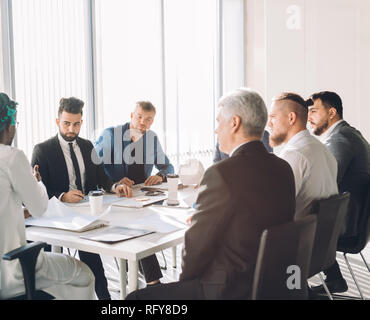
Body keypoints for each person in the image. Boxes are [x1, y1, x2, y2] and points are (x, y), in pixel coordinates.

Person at [126, 88, 296, 300]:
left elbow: (196, 248)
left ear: (234, 123)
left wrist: (184, 286)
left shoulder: (221, 174)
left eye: (218, 122)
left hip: (229, 288)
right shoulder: (284, 168)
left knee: (134, 299)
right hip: (272, 283)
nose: (216, 130)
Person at [0, 92, 95, 300]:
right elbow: (39, 208)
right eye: (14, 122)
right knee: (83, 275)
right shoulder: (10, 156)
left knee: (61, 286)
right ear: (8, 125)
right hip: (11, 271)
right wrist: (37, 181)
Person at [31, 97, 132, 300]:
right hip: (58, 217)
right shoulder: (42, 150)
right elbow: (37, 190)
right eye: (66, 123)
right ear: (57, 121)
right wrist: (62, 196)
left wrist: (115, 186)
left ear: (81, 123)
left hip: (87, 214)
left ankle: (106, 300)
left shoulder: (87, 146)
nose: (71, 129)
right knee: (49, 264)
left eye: (76, 124)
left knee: (93, 258)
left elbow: (101, 176)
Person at [94, 101, 174, 287]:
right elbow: (94, 168)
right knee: (140, 228)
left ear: (152, 122)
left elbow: (168, 166)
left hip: (140, 198)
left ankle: (146, 275)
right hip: (115, 198)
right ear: (131, 116)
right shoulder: (111, 135)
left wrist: (160, 175)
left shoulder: (151, 139)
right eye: (139, 117)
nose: (142, 122)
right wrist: (114, 183)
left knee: (146, 225)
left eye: (148, 119)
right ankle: (153, 283)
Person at [307, 91, 370, 295]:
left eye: (314, 111)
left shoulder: (341, 139)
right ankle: (333, 278)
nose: (309, 118)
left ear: (332, 112)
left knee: (291, 229)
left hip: (345, 225)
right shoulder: (351, 134)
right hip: (356, 222)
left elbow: (326, 182)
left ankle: (294, 288)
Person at [267, 92, 338, 220]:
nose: (269, 124)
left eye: (273, 117)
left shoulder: (294, 155)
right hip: (319, 238)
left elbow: (274, 210)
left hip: (297, 238)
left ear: (291, 118)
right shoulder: (323, 149)